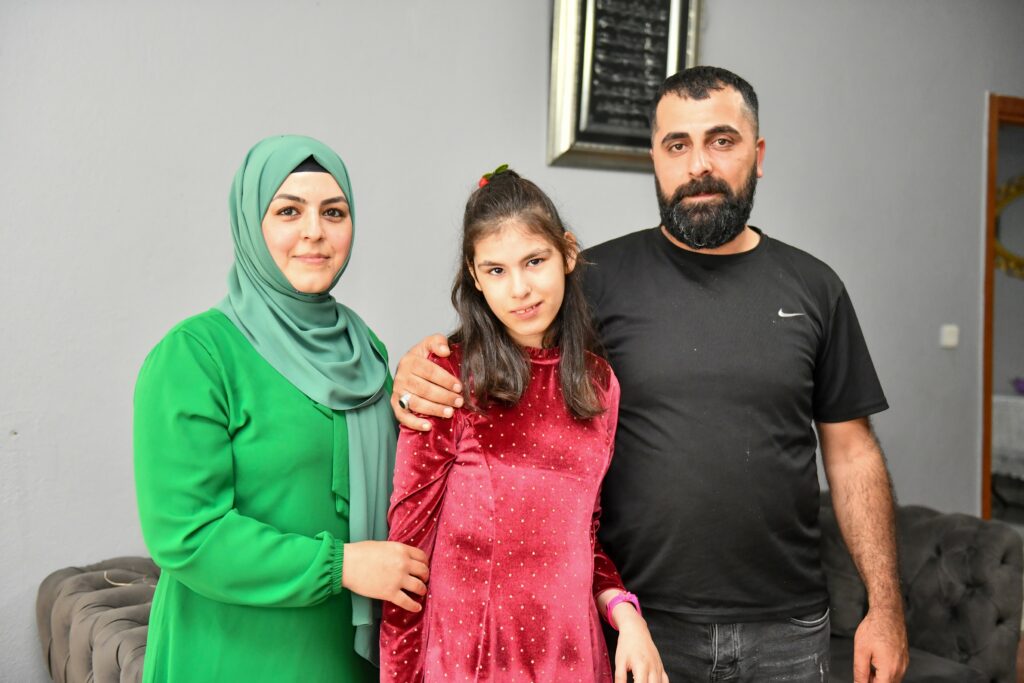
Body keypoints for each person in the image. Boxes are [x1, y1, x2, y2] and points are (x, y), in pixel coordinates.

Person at [389, 68, 910, 682]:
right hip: (642, 626)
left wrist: (886, 607)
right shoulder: (591, 282)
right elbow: (504, 334)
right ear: (654, 159)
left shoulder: (815, 288)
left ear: (759, 153)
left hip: (787, 628)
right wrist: (416, 369)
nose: (699, 165)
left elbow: (853, 453)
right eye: (677, 145)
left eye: (722, 140)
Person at [133, 135, 429, 683]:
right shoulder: (196, 355)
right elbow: (187, 535)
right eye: (289, 211)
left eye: (333, 212)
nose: (314, 231)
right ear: (251, 224)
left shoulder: (364, 350)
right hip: (231, 655)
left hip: (343, 656)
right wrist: (343, 565)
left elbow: (407, 482)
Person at [380, 168, 667, 682]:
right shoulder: (445, 377)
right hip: (473, 661)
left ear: (568, 253)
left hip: (572, 657)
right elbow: (405, 562)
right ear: (474, 276)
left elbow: (585, 534)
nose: (519, 289)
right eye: (496, 270)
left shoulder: (600, 385)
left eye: (535, 261)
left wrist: (626, 614)